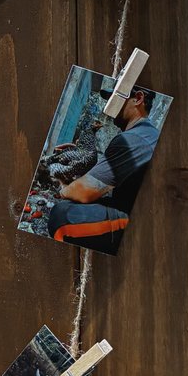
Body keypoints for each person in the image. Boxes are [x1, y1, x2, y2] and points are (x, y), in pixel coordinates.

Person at [45, 87, 159, 252]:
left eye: (116, 98)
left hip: (141, 221)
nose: (109, 106)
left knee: (61, 216)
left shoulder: (132, 139)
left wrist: (62, 189)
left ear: (138, 98)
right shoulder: (146, 134)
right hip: (135, 207)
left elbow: (82, 192)